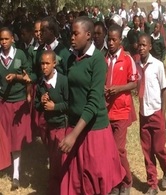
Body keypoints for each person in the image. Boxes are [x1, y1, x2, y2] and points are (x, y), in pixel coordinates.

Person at [59, 16, 125, 195]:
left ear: (88, 35)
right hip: (74, 125)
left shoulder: (97, 61)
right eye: (70, 33)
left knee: (94, 180)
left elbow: (93, 102)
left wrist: (73, 135)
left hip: (93, 130)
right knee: (75, 181)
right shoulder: (72, 59)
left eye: (75, 34)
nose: (71, 37)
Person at [137, 33, 166, 195]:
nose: (141, 48)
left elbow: (164, 89)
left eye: (144, 45)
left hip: (156, 112)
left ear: (150, 46)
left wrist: (163, 113)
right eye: (139, 45)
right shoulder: (136, 66)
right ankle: (152, 183)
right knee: (147, 150)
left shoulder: (157, 65)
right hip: (143, 113)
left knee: (158, 148)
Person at [105, 24, 138, 195]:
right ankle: (115, 182)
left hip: (122, 110)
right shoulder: (104, 59)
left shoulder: (127, 59)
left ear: (120, 41)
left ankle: (127, 180)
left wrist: (118, 89)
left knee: (119, 149)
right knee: (109, 151)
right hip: (106, 112)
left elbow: (134, 83)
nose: (110, 43)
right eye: (108, 39)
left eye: (113, 40)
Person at [0, 27, 32, 190]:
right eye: (1, 39)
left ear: (13, 38)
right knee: (4, 137)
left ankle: (16, 175)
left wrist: (17, 77)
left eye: (6, 39)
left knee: (17, 139)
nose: (4, 42)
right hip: (4, 103)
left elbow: (28, 77)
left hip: (18, 102)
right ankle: (5, 164)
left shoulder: (19, 55)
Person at [35, 50, 68, 195]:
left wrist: (55, 107)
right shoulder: (40, 83)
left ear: (54, 64)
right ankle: (54, 188)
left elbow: (70, 103)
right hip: (47, 126)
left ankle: (63, 189)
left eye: (47, 63)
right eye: (42, 63)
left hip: (61, 126)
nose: (44, 67)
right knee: (53, 159)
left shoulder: (62, 81)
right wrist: (41, 103)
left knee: (60, 160)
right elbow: (36, 104)